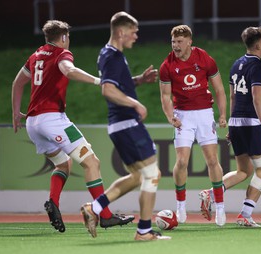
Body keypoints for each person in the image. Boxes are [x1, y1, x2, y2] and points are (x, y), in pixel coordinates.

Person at [11, 20, 134, 233]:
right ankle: (105, 216)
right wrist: (99, 81)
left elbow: (18, 83)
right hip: (54, 121)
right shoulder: (62, 54)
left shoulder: (36, 55)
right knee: (92, 162)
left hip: (32, 123)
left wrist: (15, 113)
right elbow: (69, 70)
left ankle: (53, 203)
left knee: (63, 165)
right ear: (64, 37)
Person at [80, 12, 171, 241]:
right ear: (121, 32)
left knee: (138, 176)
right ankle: (144, 231)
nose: (136, 36)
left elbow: (117, 84)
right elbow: (107, 89)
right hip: (126, 123)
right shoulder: (112, 56)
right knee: (152, 174)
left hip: (120, 125)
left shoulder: (111, 54)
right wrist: (135, 103)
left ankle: (96, 208)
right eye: (134, 31)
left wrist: (138, 80)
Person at [198, 26, 261, 227]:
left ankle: (210, 193)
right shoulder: (259, 67)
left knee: (244, 170)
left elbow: (232, 97)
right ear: (257, 44)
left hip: (238, 121)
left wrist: (231, 123)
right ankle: (245, 215)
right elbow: (257, 98)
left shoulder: (236, 64)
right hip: (252, 123)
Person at [159, 25, 227, 227]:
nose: (175, 46)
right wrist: (171, 116)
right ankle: (180, 205)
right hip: (183, 116)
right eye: (173, 42)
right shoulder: (167, 65)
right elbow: (165, 96)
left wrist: (223, 115)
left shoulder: (204, 58)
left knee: (213, 160)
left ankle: (221, 208)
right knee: (181, 162)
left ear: (189, 41)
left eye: (179, 42)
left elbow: (219, 89)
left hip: (205, 114)